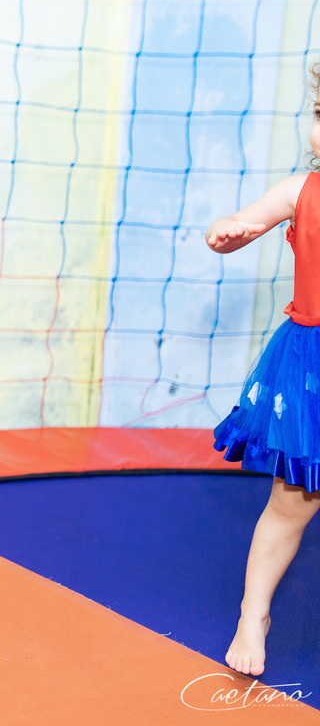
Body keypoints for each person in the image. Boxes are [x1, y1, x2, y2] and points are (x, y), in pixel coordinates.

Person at [209, 63, 320, 678]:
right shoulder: (300, 191)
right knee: (291, 502)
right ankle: (254, 613)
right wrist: (228, 232)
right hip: (310, 369)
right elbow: (241, 221)